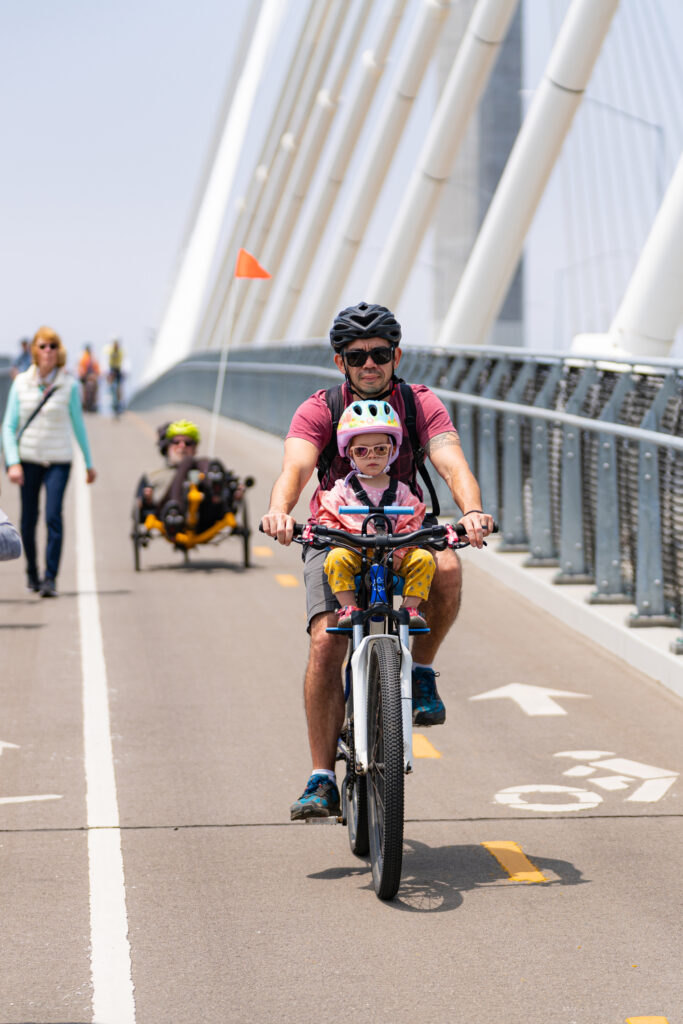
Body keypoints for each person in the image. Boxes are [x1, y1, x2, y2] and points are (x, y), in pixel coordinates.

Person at [260, 301, 493, 820]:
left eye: (380, 354)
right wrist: (280, 511)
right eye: (357, 355)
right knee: (325, 642)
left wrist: (472, 511)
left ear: (397, 355)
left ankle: (422, 673)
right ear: (340, 362)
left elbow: (451, 461)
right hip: (335, 530)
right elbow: (296, 467)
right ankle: (321, 776)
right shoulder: (318, 408)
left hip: (404, 525)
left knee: (449, 568)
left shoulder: (418, 403)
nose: (370, 364)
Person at [318, 399, 435, 629]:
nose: (372, 456)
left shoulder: (401, 490)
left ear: (392, 451)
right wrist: (334, 535)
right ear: (350, 454)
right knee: (335, 559)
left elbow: (413, 517)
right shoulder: (342, 490)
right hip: (354, 551)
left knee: (425, 559)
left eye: (380, 449)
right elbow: (327, 515)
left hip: (395, 553)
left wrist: (402, 548)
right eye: (362, 450)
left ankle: (410, 607)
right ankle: (348, 606)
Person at [1, 326, 97, 596]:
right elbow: (8, 427)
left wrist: (89, 464)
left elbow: (78, 426)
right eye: (43, 346)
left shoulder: (69, 385)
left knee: (54, 516)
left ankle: (50, 578)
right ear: (35, 350)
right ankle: (32, 572)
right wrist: (13, 462)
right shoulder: (21, 383)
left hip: (58, 460)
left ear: (59, 351)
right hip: (28, 459)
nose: (48, 351)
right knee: (29, 519)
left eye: (53, 346)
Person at [135, 419, 245, 537]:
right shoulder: (152, 475)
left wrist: (236, 492)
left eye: (188, 443)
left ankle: (215, 486)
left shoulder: (204, 467)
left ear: (195, 448)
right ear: (167, 446)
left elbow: (234, 497)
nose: (182, 446)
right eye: (176, 442)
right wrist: (147, 499)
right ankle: (175, 513)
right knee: (188, 461)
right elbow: (140, 509)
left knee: (206, 464)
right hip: (167, 516)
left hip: (207, 515)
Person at [77, 344, 101, 412]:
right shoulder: (82, 357)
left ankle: (94, 403)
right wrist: (84, 376)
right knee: (84, 390)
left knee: (95, 388)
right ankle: (85, 404)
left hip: (93, 376)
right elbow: (81, 368)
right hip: (85, 377)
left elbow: (97, 368)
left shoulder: (93, 357)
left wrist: (96, 375)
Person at [104, 337, 124, 414]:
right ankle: (112, 401)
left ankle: (119, 402)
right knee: (111, 386)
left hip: (118, 369)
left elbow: (123, 362)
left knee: (119, 387)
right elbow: (107, 361)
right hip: (111, 369)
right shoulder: (110, 351)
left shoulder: (120, 352)